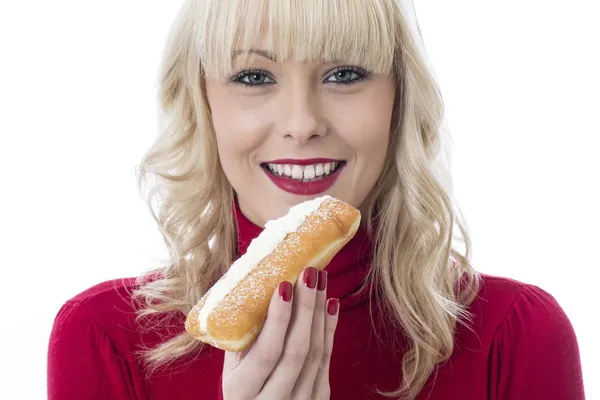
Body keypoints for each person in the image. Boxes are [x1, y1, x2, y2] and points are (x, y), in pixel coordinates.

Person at [47, 0, 585, 399]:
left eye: (344, 73)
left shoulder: (514, 335)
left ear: (399, 100)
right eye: (254, 76)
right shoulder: (106, 340)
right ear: (201, 103)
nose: (302, 124)